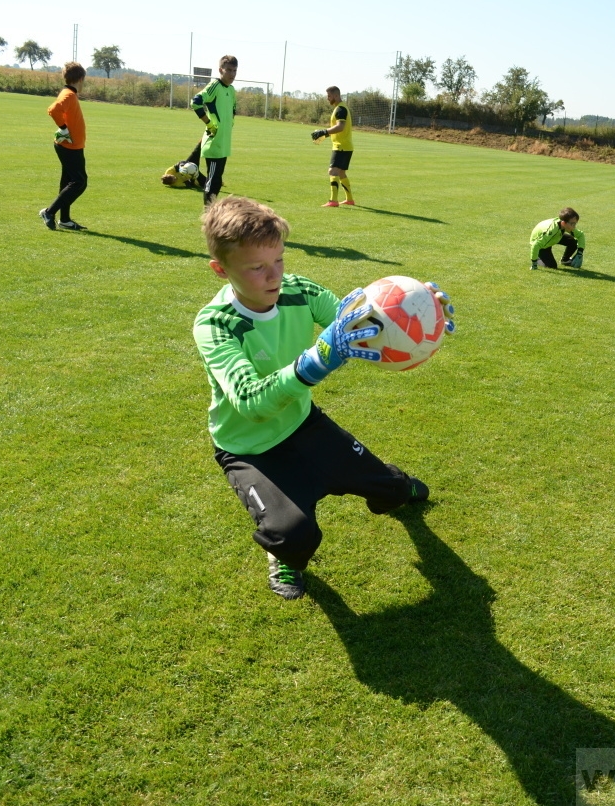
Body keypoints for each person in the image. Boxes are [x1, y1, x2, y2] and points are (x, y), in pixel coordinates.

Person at [192, 197, 456, 600]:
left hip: (303, 424)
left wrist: (416, 316)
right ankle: (284, 555)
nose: (274, 275)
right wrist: (316, 360)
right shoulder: (215, 325)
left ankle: (395, 482)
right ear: (220, 269)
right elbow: (250, 402)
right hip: (247, 447)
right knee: (293, 534)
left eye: (278, 259)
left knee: (394, 493)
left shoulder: (300, 291)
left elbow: (358, 327)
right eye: (257, 267)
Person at [40, 62, 89, 231]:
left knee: (68, 182)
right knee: (79, 182)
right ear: (81, 79)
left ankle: (65, 220)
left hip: (71, 145)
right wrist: (63, 128)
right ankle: (49, 212)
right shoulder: (69, 95)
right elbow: (54, 110)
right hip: (70, 146)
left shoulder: (67, 93)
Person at [192, 56, 238, 206]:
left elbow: (232, 111)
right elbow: (196, 102)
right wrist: (209, 124)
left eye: (235, 71)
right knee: (212, 182)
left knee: (217, 181)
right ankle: (208, 216)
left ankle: (211, 214)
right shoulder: (214, 86)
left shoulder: (231, 90)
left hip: (224, 143)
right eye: (229, 70)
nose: (232, 74)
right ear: (220, 70)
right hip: (213, 142)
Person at [310, 86, 356, 207]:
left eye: (329, 96)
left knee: (333, 171)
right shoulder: (340, 108)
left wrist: (324, 132)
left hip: (341, 146)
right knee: (341, 173)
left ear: (336, 96)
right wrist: (325, 135)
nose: (327, 98)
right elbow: (340, 130)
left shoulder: (340, 109)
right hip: (345, 146)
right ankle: (349, 200)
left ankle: (333, 201)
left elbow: (340, 127)